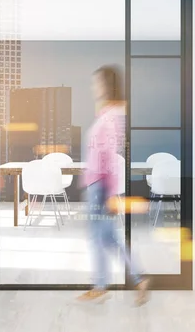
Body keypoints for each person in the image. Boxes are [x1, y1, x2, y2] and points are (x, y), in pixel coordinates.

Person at [77, 64, 149, 305]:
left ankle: (100, 285)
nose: (94, 87)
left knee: (97, 238)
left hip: (99, 187)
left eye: (97, 82)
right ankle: (138, 279)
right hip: (98, 185)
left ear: (107, 85)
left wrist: (108, 192)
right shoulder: (110, 114)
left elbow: (109, 157)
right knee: (108, 238)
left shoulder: (110, 117)